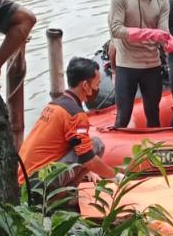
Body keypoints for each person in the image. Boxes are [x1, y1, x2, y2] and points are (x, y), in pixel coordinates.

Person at [18, 57, 118, 188]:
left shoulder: (54, 105)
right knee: (96, 145)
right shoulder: (75, 114)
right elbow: (87, 158)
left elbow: (73, 143)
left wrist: (87, 171)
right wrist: (115, 177)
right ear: (85, 86)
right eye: (97, 84)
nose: (97, 88)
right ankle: (65, 197)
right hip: (38, 183)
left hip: (25, 178)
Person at [108, 0, 170, 128]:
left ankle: (155, 151)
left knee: (153, 113)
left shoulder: (162, 0)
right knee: (123, 115)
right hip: (126, 65)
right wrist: (149, 34)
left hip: (152, 65)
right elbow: (116, 29)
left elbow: (164, 33)